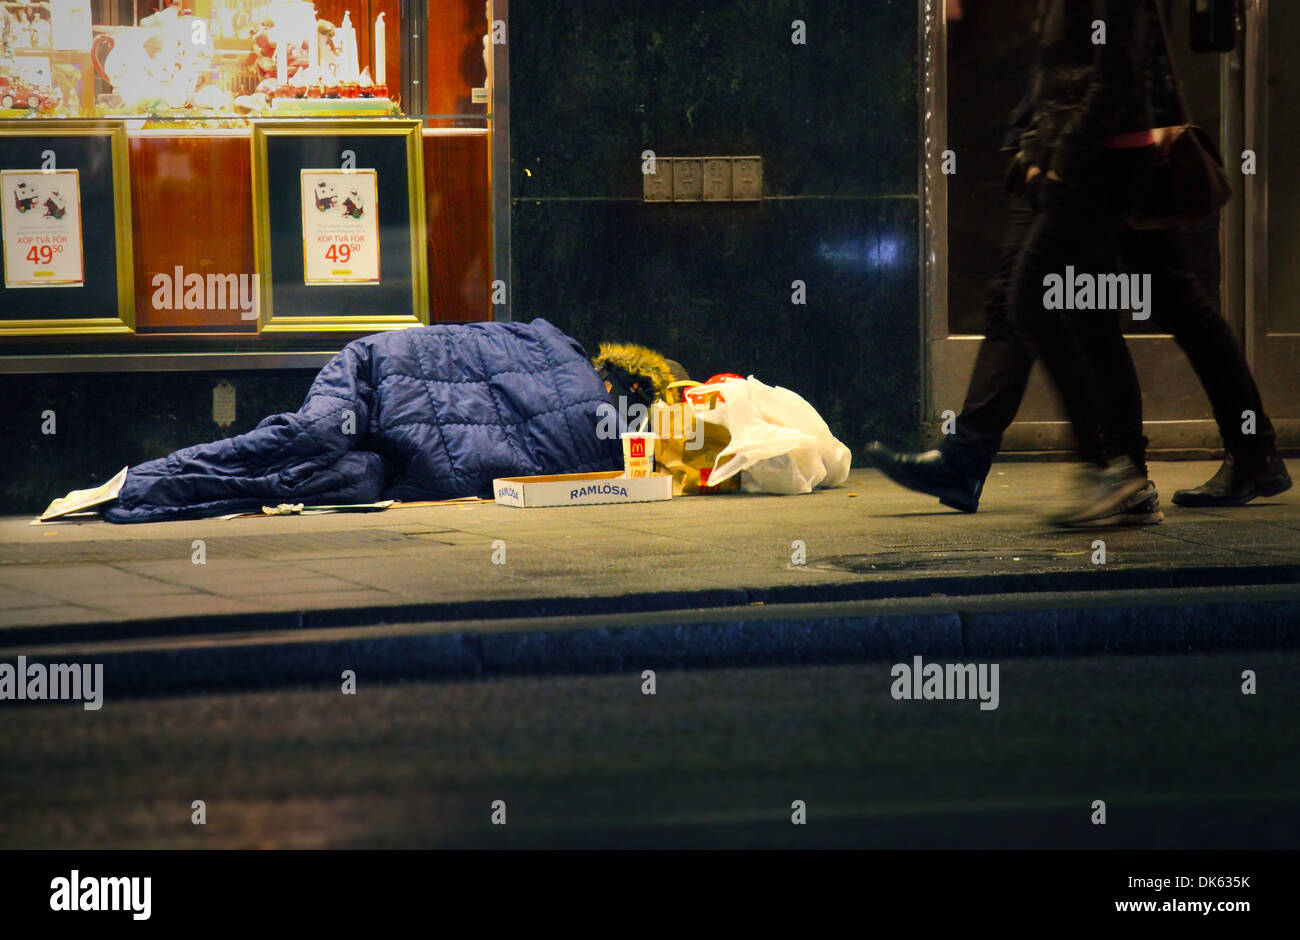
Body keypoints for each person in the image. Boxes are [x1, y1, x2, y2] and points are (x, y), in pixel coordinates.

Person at [869, 0, 1290, 524]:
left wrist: (1057, 158)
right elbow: (1062, 66)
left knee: (1055, 301)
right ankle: (1131, 470)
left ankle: (1115, 470)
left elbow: (1116, 67)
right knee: (1086, 306)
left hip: (1108, 156)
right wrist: (1031, 143)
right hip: (1094, 151)